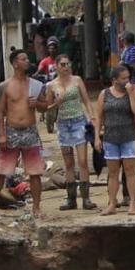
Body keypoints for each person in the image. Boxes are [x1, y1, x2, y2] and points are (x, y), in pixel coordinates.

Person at [0, 50, 49, 219]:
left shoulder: (35, 85)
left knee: (35, 172)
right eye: (23, 59)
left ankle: (36, 207)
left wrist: (37, 103)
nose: (27, 61)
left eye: (27, 58)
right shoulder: (4, 86)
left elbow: (45, 107)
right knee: (1, 171)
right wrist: (1, 134)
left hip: (30, 131)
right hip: (11, 132)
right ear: (15, 64)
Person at [47, 53, 97, 210]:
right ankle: (71, 199)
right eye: (62, 64)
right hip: (63, 124)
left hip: (79, 121)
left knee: (82, 161)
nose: (66, 67)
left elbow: (86, 100)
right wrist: (57, 102)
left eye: (68, 64)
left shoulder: (77, 80)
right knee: (68, 163)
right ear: (56, 66)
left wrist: (92, 117)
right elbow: (47, 108)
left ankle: (86, 198)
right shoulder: (51, 85)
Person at [95, 65, 135, 216]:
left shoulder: (132, 91)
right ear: (115, 80)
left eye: (128, 77)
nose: (127, 81)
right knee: (113, 172)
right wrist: (97, 137)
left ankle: (132, 203)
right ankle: (112, 203)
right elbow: (99, 117)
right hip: (110, 137)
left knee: (130, 171)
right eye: (123, 78)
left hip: (128, 136)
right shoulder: (104, 94)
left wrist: (131, 93)